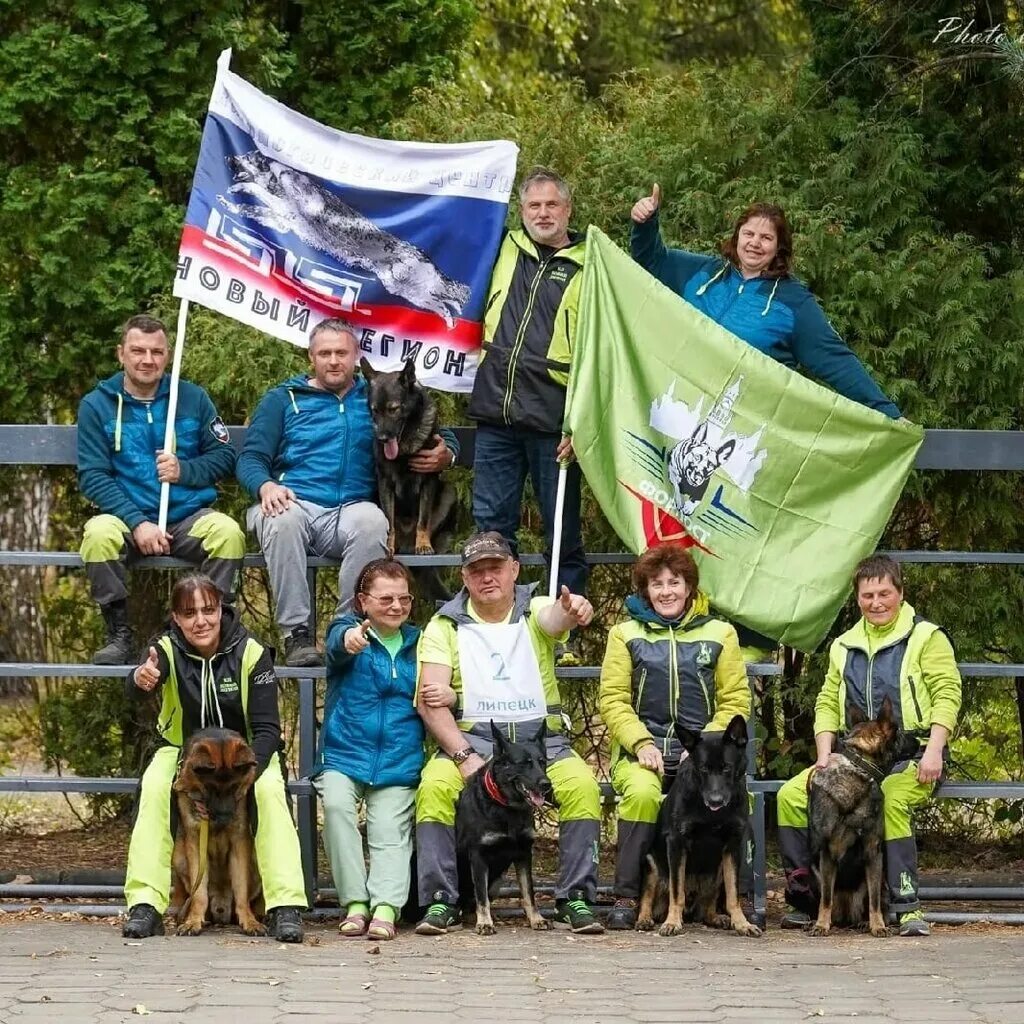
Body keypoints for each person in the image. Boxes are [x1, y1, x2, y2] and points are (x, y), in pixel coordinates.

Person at [236, 317, 458, 667]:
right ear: (311, 357)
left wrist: (449, 452)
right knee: (282, 520)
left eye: (342, 352)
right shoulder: (284, 399)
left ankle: (348, 629)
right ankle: (297, 634)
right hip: (295, 503)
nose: (334, 360)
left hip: (352, 509)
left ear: (356, 355)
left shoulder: (373, 394)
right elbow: (250, 458)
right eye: (325, 353)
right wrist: (265, 485)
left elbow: (425, 420)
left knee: (372, 523)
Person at [413, 530, 604, 935]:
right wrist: (464, 756)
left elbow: (555, 618)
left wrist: (571, 611)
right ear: (464, 577)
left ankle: (576, 898)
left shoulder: (534, 609)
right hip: (475, 743)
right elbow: (430, 702)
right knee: (434, 787)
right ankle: (441, 901)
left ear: (514, 570)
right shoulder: (443, 625)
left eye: (495, 567)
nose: (487, 578)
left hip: (542, 744)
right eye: (476, 570)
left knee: (582, 787)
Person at [776, 554, 962, 937]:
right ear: (857, 598)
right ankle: (803, 898)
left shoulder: (927, 637)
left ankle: (906, 907)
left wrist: (934, 750)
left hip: (914, 751)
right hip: (855, 759)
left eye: (884, 593)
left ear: (900, 592)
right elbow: (827, 701)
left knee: (891, 799)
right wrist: (824, 756)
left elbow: (947, 692)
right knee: (791, 795)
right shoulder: (844, 645)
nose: (876, 603)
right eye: (867, 595)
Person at [120, 574, 308, 942]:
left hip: (244, 757)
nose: (201, 620)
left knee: (270, 791)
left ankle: (284, 905)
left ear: (221, 609)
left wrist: (249, 777)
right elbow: (138, 686)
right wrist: (140, 679)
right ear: (176, 617)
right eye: (189, 613)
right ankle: (145, 903)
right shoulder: (165, 649)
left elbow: (268, 730)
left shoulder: (252, 652)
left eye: (209, 610)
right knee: (156, 786)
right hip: (180, 750)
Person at [629, 189, 901, 419]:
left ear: (779, 248)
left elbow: (836, 361)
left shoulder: (793, 302)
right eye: (749, 234)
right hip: (678, 409)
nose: (755, 243)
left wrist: (887, 414)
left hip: (741, 426)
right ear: (737, 237)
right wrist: (645, 222)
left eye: (766, 238)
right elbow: (652, 259)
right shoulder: (702, 273)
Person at [599, 544, 750, 930]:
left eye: (674, 582)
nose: (666, 591)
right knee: (643, 794)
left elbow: (734, 700)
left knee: (728, 801)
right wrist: (640, 742)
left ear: (689, 587)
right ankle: (626, 895)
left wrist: (701, 748)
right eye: (656, 584)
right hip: (642, 753)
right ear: (645, 590)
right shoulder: (624, 633)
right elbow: (613, 698)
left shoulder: (720, 633)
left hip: (701, 756)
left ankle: (735, 901)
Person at [78, 315, 244, 664]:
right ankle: (119, 633)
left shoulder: (193, 398)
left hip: (186, 516)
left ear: (167, 355)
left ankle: (213, 630)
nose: (147, 359)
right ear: (120, 354)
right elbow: (93, 476)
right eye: (138, 350)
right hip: (126, 518)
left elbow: (224, 457)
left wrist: (184, 470)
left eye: (156, 351)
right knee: (96, 535)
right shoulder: (97, 405)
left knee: (228, 533)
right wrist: (137, 522)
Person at [467, 167, 589, 621]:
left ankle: (564, 630)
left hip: (553, 423)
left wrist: (582, 423)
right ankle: (497, 623)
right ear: (522, 211)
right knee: (492, 533)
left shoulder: (590, 263)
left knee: (562, 535)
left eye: (551, 204)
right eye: (534, 205)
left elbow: (602, 352)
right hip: (495, 414)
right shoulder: (503, 247)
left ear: (568, 210)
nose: (542, 213)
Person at [312, 558, 424, 941]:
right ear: (362, 601)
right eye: (386, 599)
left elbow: (445, 685)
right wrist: (350, 641)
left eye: (404, 599)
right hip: (345, 754)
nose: (396, 607)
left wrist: (451, 692)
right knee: (338, 808)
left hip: (399, 758)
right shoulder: (346, 630)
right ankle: (355, 904)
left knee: (390, 828)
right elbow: (336, 646)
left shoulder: (421, 642)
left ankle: (385, 908)